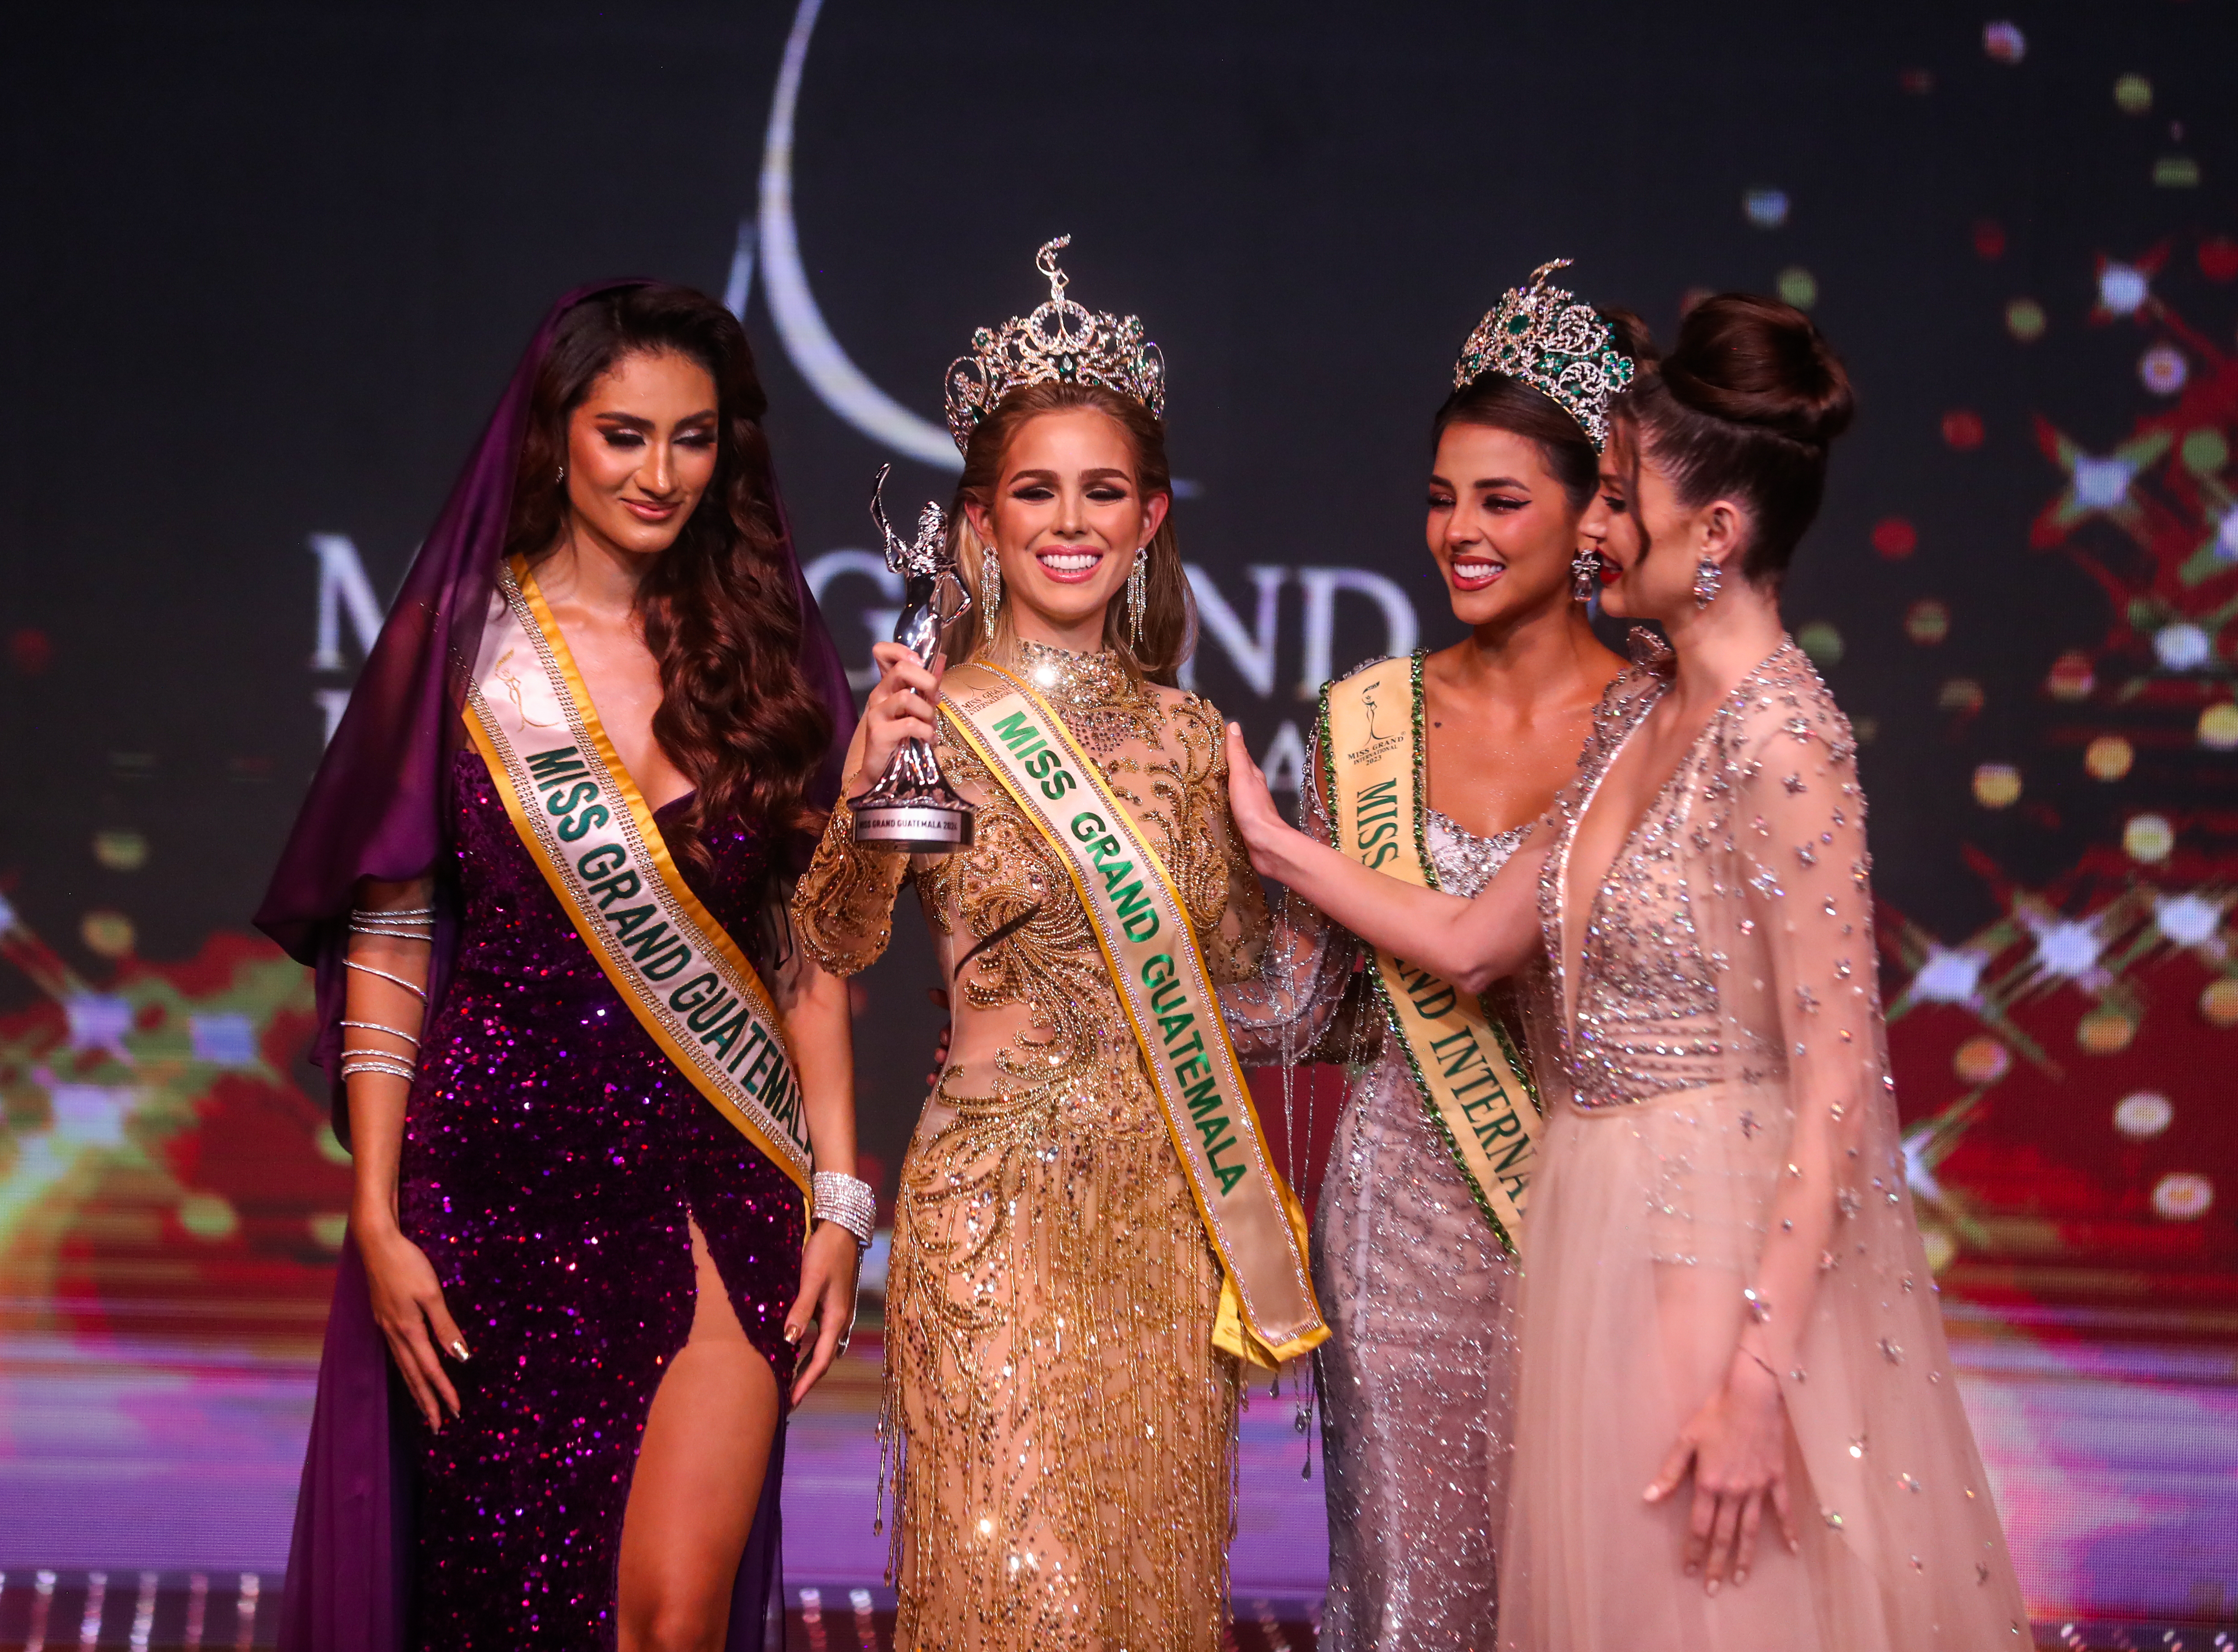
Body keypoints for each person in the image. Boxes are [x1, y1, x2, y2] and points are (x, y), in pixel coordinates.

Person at [1223, 295, 2028, 1651]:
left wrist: (1761, 1381)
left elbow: (1842, 1087)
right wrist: (1266, 843)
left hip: (1705, 1252)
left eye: (1616, 497)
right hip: (1584, 1235)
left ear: (1715, 531)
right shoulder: (1650, 710)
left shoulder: (1784, 738)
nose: (1595, 529)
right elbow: (1477, 942)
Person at [256, 282, 865, 1652]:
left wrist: (840, 1190)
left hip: (716, 1175)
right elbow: (394, 936)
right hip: (490, 1184)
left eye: (694, 439)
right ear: (556, 437)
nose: (661, 474)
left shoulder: (768, 651)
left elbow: (807, 940)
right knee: (504, 1613)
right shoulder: (461, 650)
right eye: (626, 435)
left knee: (671, 1616)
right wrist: (375, 1208)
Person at [789, 238, 1325, 1652]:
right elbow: (832, 947)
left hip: (1160, 1219)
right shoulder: (934, 717)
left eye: (1103, 492)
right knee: (1016, 1591)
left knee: (1147, 1598)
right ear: (982, 521)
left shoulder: (1194, 738)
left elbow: (1254, 991)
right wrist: (859, 795)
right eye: (1038, 491)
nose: (1070, 522)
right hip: (990, 1218)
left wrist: (1286, 858)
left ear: (1151, 518)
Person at [1222, 263, 1636, 1652]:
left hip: (1606, 1211)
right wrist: (1090, 982)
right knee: (1413, 1604)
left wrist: (1286, 850)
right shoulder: (1366, 720)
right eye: (1441, 498)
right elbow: (1305, 1003)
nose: (1458, 532)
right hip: (1400, 1217)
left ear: (1591, 518)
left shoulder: (1658, 720)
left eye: (1500, 500)